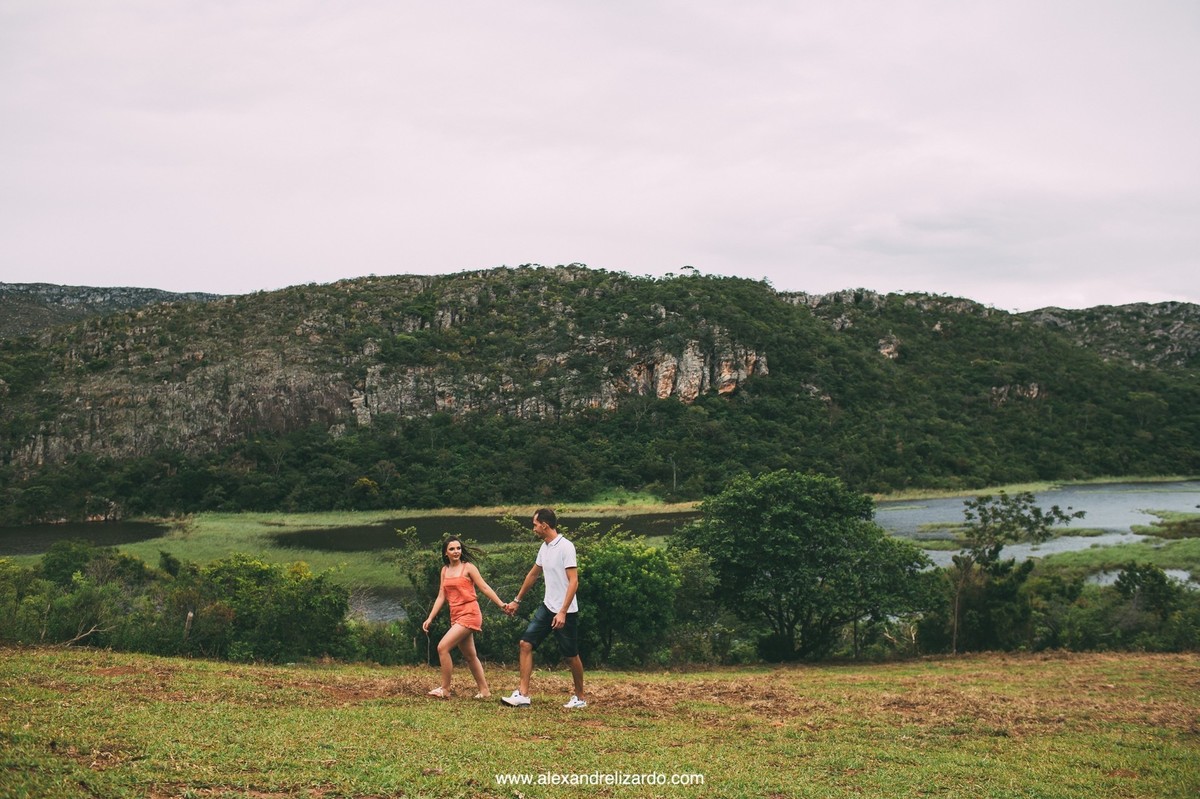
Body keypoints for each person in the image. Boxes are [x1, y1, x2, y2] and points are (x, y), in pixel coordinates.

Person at [501, 508, 587, 708]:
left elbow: (573, 582)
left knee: (571, 655)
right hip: (547, 607)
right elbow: (533, 575)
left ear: (544, 525)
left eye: (535, 524)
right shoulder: (544, 547)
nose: (534, 528)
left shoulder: (566, 547)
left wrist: (563, 611)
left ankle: (580, 698)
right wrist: (517, 600)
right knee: (525, 643)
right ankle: (523, 695)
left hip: (566, 611)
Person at [422, 536, 508, 699]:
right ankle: (485, 691)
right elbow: (442, 595)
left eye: (458, 548)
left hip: (470, 613)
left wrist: (501, 604)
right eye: (452, 549)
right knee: (470, 656)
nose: (456, 552)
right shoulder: (445, 570)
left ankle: (445, 690)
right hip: (455, 615)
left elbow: (484, 587)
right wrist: (430, 618)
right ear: (445, 553)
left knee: (442, 647)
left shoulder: (468, 568)